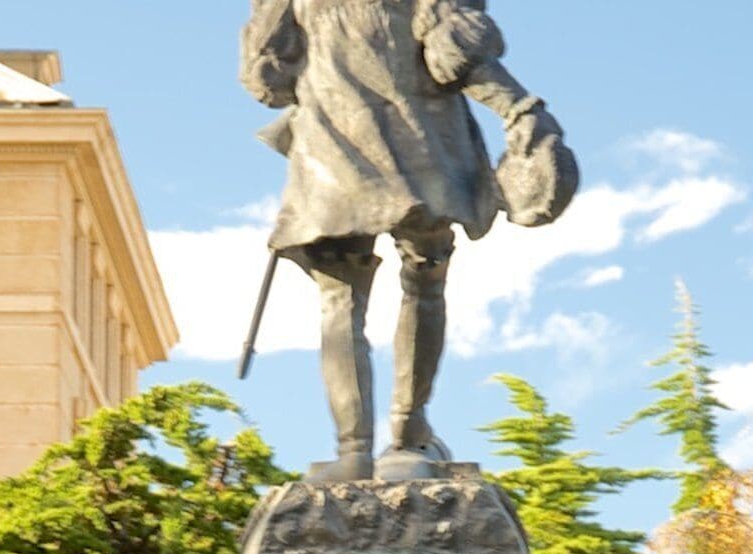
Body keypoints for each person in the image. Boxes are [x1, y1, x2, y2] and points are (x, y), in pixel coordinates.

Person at [239, 0, 572, 477]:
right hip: (420, 133)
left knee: (341, 297)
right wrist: (519, 107)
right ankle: (409, 436)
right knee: (425, 273)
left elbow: (267, 76)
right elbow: (453, 51)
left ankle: (353, 453)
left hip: (331, 136)